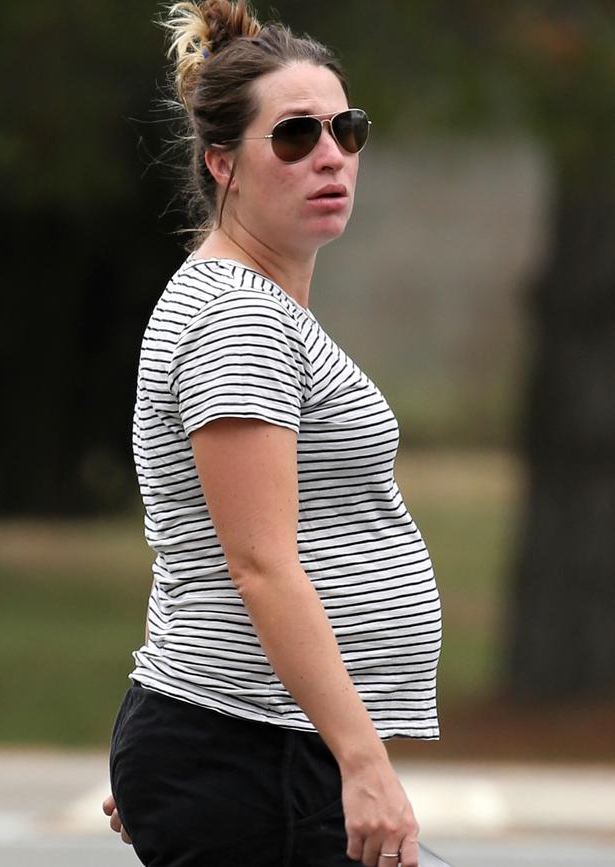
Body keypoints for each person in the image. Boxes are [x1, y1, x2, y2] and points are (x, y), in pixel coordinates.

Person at [104, 2, 442, 866]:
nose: (330, 155)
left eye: (346, 129)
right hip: (258, 754)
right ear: (224, 163)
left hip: (243, 743)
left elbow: (193, 539)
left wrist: (173, 725)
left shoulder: (239, 302)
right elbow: (259, 563)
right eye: (294, 137)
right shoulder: (237, 322)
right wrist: (362, 763)